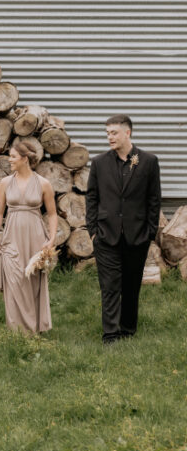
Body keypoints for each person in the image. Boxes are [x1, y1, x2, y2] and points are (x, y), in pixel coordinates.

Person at [85, 115, 161, 345]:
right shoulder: (99, 163)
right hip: (106, 234)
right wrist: (92, 230)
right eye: (107, 133)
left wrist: (149, 232)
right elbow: (92, 196)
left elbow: (154, 199)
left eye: (114, 133)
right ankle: (110, 334)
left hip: (137, 235)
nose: (109, 137)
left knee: (131, 285)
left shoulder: (147, 161)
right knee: (109, 286)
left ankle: (128, 328)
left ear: (127, 133)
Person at [0, 142, 58, 333]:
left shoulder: (44, 184)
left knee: (32, 280)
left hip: (35, 236)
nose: (9, 160)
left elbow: (52, 214)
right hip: (11, 236)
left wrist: (51, 239)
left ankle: (35, 327)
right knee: (14, 279)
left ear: (24, 159)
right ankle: (17, 330)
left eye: (12, 156)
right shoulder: (5, 183)